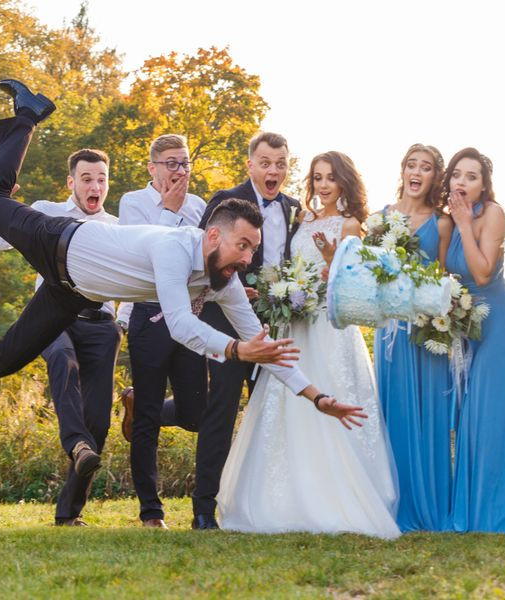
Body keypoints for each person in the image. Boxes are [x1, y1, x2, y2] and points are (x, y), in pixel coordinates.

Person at [0, 80, 365, 450]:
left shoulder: (223, 279)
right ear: (214, 236)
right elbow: (181, 325)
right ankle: (28, 116)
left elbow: (261, 346)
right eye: (243, 247)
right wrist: (241, 353)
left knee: (7, 357)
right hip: (58, 242)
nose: (247, 260)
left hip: (72, 292)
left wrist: (318, 398)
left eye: (251, 250)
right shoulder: (174, 249)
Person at [217, 152, 400, 538]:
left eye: (331, 178)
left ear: (345, 182)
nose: (323, 185)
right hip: (294, 323)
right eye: (317, 178)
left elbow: (353, 284)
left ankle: (336, 496)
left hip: (329, 327)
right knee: (286, 404)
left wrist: (332, 262)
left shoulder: (350, 225)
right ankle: (283, 498)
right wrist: (282, 292)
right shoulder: (302, 219)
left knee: (331, 395)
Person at [0, 147, 122, 527]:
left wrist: (125, 323)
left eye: (101, 179)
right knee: (61, 359)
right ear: (71, 182)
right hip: (54, 318)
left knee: (100, 421)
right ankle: (76, 443)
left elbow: (136, 278)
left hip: (101, 323)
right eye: (87, 179)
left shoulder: (118, 227)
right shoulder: (47, 212)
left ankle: (69, 512)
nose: (95, 186)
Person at [191, 132, 301, 530]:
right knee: (220, 410)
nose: (274, 170)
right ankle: (204, 509)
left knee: (268, 415)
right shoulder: (225, 200)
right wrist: (232, 282)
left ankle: (264, 507)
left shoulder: (294, 209)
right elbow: (201, 258)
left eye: (281, 163)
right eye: (266, 162)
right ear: (250, 165)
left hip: (273, 325)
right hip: (225, 325)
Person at [116, 134, 208, 529]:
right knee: (148, 421)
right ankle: (151, 511)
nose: (179, 170)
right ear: (152, 167)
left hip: (189, 317)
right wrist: (169, 210)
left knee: (196, 413)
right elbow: (142, 257)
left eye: (184, 162)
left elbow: (204, 256)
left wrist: (207, 290)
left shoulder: (200, 206)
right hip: (150, 316)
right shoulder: (132, 203)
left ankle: (136, 403)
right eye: (171, 163)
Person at [441, 148, 505, 533]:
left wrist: (464, 223)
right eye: (457, 175)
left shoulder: (492, 213)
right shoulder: (448, 220)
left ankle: (497, 515)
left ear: (484, 185)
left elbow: (481, 274)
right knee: (470, 420)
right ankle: (475, 510)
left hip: (502, 327)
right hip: (468, 327)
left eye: (472, 176)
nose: (462, 182)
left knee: (490, 418)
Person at [374, 144, 454, 532]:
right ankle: (392, 503)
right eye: (411, 165)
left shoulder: (441, 223)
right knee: (395, 414)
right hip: (390, 330)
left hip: (425, 330)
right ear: (402, 170)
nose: (416, 173)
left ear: (434, 176)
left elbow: (443, 278)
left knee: (429, 415)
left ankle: (430, 504)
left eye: (425, 167)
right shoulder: (382, 218)